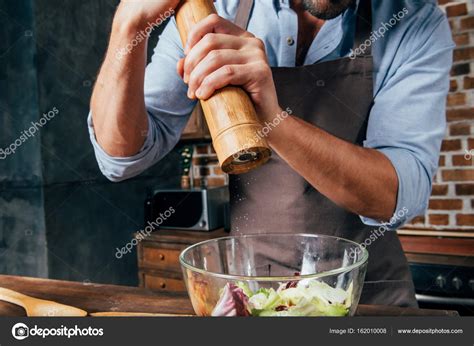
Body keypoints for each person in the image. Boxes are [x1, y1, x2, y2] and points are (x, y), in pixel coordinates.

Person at [88, 0, 454, 306]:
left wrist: (272, 118)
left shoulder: (414, 21)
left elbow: (395, 196)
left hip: (365, 300)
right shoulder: (218, 7)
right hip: (256, 295)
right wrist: (128, 25)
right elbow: (122, 157)